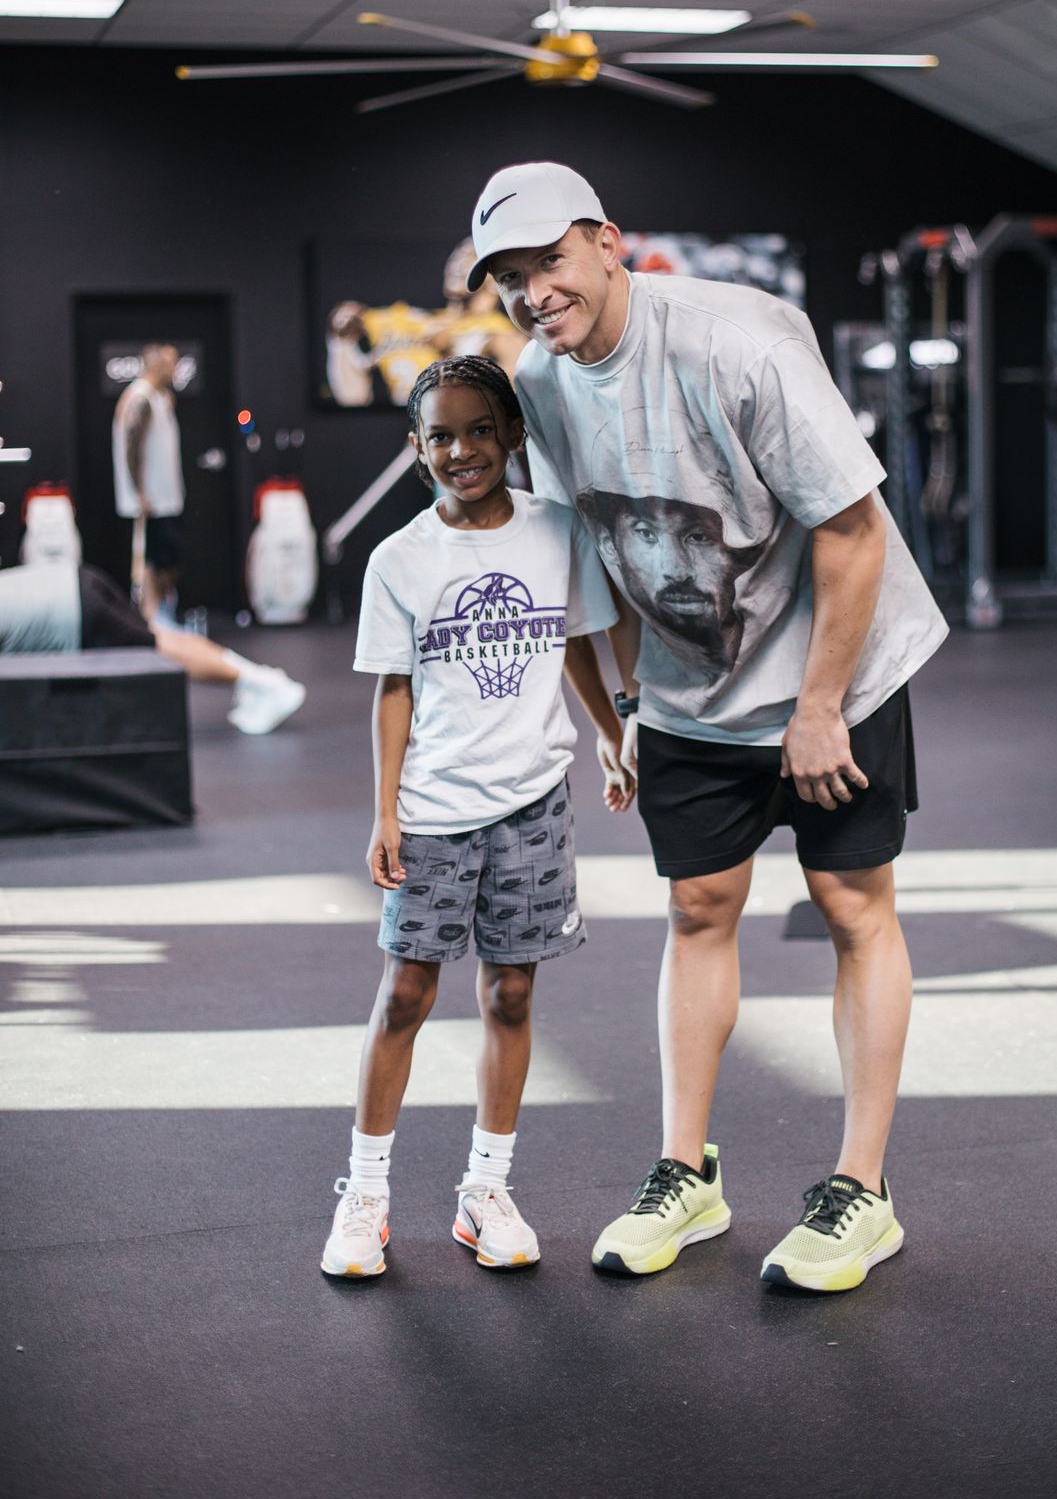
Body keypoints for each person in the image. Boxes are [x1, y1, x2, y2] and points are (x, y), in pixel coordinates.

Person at [468, 161, 948, 1294]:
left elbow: (855, 531)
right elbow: (591, 554)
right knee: (698, 907)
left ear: (605, 242)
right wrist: (621, 709)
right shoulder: (539, 385)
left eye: (548, 261)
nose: (534, 291)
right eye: (508, 276)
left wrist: (820, 706)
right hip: (690, 679)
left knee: (850, 905)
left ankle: (862, 1192)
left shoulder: (740, 344)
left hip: (844, 662)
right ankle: (687, 1174)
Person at [320, 355, 634, 1281]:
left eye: (481, 431)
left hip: (534, 802)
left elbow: (577, 641)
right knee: (407, 995)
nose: (463, 450)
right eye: (443, 436)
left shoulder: (557, 533)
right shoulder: (402, 559)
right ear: (417, 449)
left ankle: (484, 1192)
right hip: (436, 811)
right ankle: (365, 1197)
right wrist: (385, 813)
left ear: (513, 436)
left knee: (511, 993)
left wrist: (613, 733)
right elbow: (392, 691)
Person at [0, 561, 307, 734]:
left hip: (75, 609)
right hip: (75, 579)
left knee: (159, 649)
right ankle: (259, 679)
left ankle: (266, 685)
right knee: (162, 639)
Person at [112, 343, 186, 624]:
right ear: (156, 366)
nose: (175, 370)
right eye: (171, 364)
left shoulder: (158, 398)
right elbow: (132, 446)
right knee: (153, 558)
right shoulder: (140, 398)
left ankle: (158, 613)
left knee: (162, 556)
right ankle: (152, 615)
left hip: (163, 496)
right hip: (151, 498)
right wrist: (139, 490)